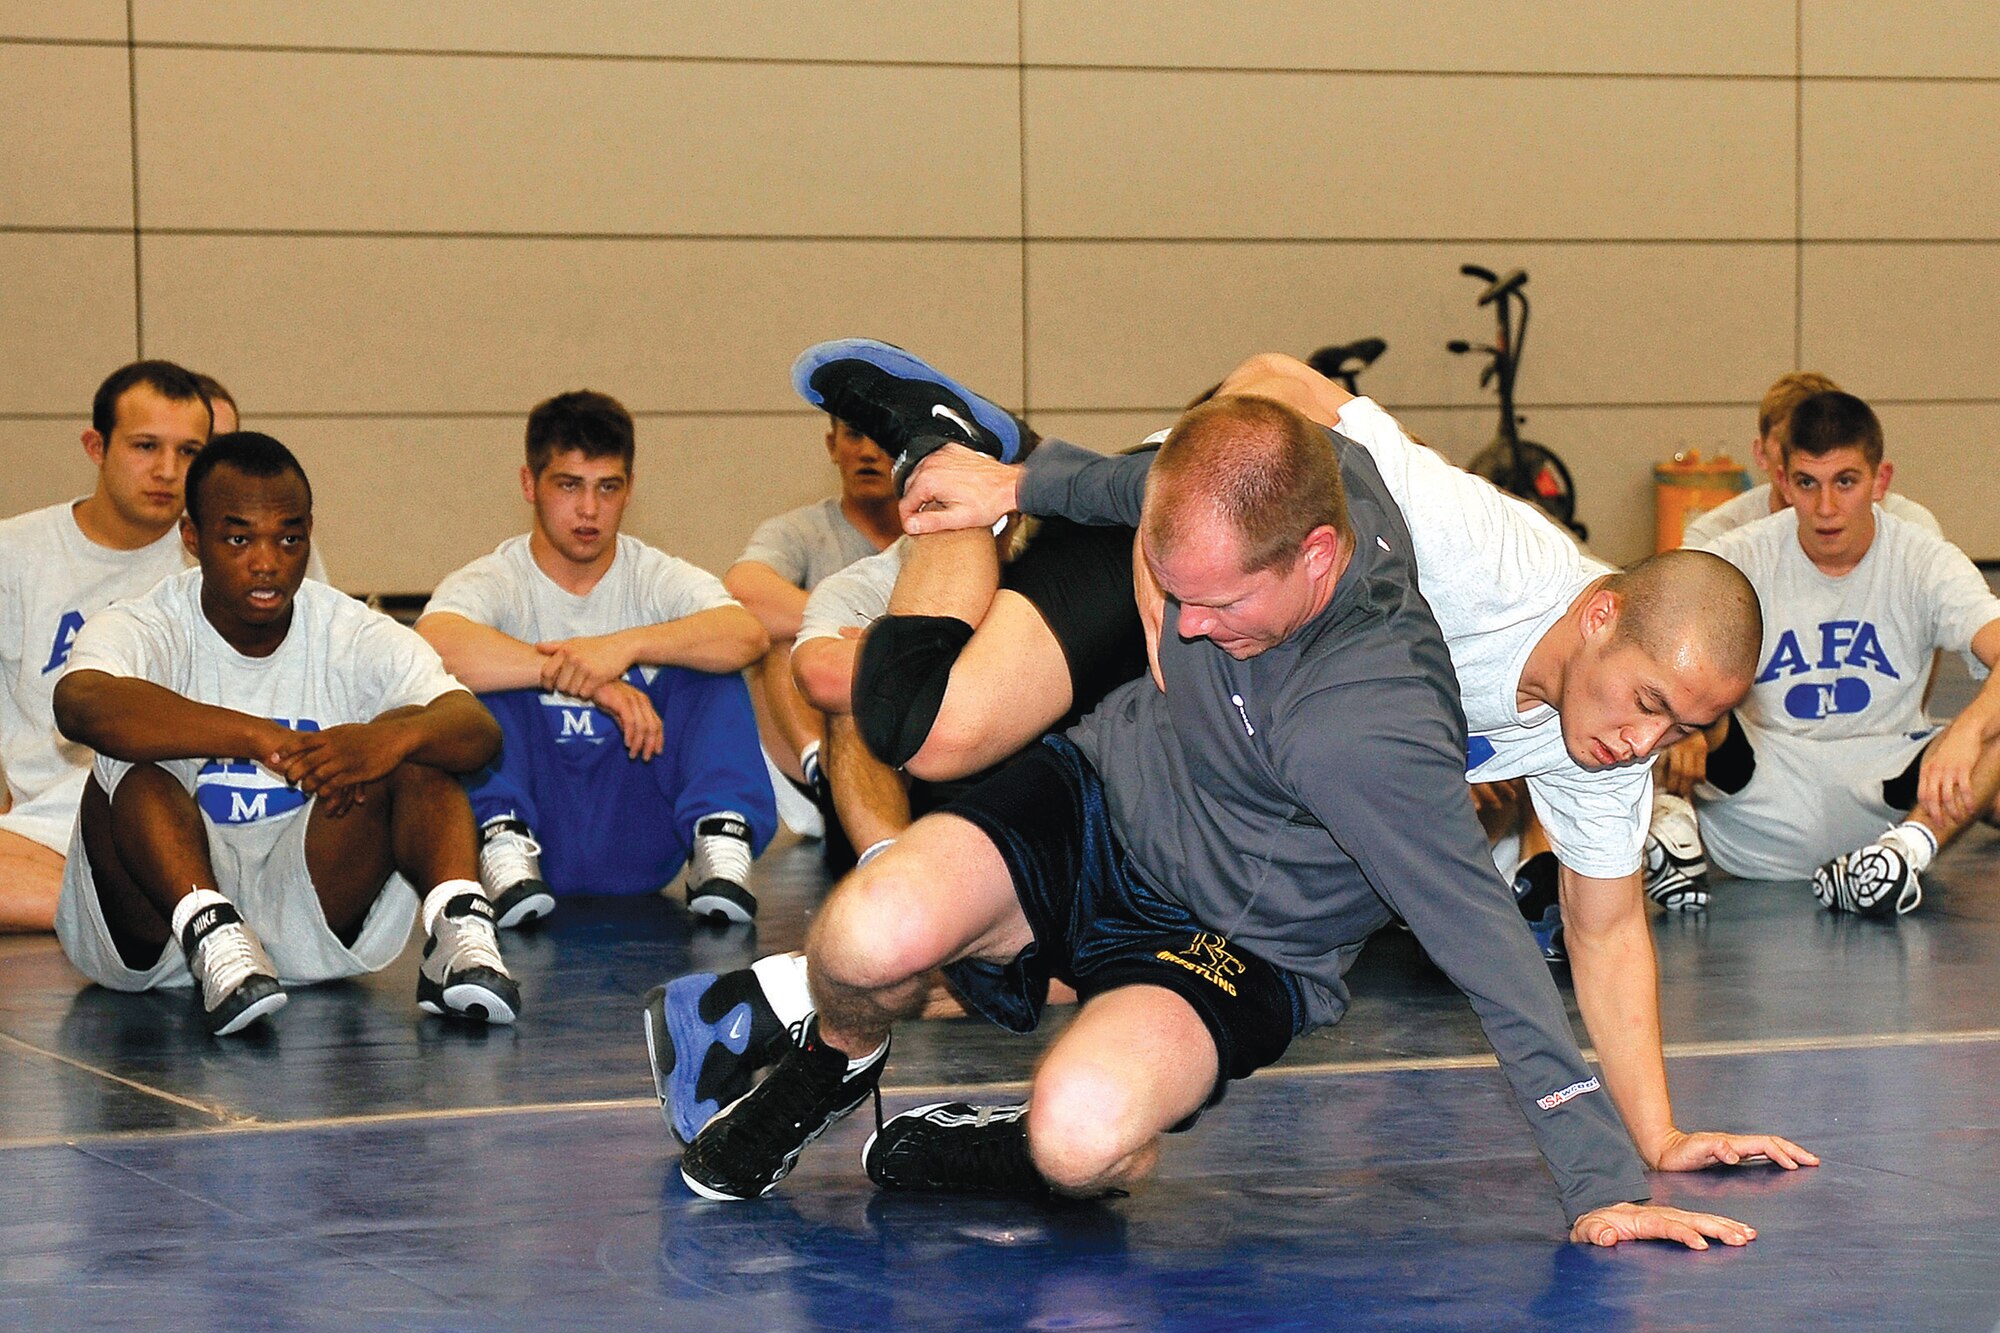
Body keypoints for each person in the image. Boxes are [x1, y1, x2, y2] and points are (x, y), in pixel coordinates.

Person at [677, 366, 1760, 1249]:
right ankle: (832, 1058)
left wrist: (1612, 1170)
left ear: (1318, 558)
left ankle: (1012, 1147)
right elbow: (1196, 455)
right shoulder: (1335, 483)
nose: (1184, 629)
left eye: (1219, 601)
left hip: (1241, 940)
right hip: (1109, 798)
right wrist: (1022, 486)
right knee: (870, 920)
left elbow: (1501, 949)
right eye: (1176, 591)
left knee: (1081, 1133)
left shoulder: (1374, 727)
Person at [49, 432, 519, 1036]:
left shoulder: (349, 629)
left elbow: (476, 728)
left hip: (307, 910)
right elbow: (80, 703)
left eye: (289, 538)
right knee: (132, 762)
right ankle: (214, 933)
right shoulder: (146, 622)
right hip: (155, 933)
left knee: (417, 747)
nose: (267, 561)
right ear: (192, 538)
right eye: (239, 538)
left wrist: (380, 743)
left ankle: (460, 935)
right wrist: (256, 737)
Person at [415, 391, 776, 926]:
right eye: (569, 486)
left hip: (638, 826)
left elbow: (746, 635)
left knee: (707, 664)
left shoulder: (653, 575)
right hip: (539, 830)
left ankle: (719, 841)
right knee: (484, 668)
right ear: (528, 485)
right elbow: (431, 643)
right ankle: (502, 836)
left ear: (628, 491)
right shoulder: (496, 579)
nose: (589, 510)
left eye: (608, 488)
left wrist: (624, 647)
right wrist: (588, 681)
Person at [1688, 390, 2000, 915]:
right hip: (1757, 796)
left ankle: (1903, 857)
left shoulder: (1921, 557)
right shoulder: (1738, 555)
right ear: (1783, 481)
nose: (1826, 508)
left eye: (1846, 482)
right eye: (1808, 483)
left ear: (1880, 481)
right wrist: (1682, 728)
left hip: (1887, 801)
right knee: (1652, 691)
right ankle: (1663, 827)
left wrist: (1966, 733)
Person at [1, 362, 215, 933]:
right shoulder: (15, 553)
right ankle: (148, 918)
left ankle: (158, 912)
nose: (168, 471)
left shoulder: (224, 560)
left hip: (184, 820)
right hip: (48, 826)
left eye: (189, 452)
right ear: (97, 446)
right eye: (146, 446)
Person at [725, 416, 902, 845]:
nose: (867, 452)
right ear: (832, 445)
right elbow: (742, 592)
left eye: (883, 439)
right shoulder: (799, 531)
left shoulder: (936, 535)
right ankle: (822, 772)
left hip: (909, 752)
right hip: (809, 755)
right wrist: (846, 636)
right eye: (855, 434)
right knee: (783, 640)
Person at [1680, 371, 1941, 549]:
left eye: (1845, 481)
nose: (1825, 507)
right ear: (1761, 454)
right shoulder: (1716, 540)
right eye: (1789, 443)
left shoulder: (1913, 531)